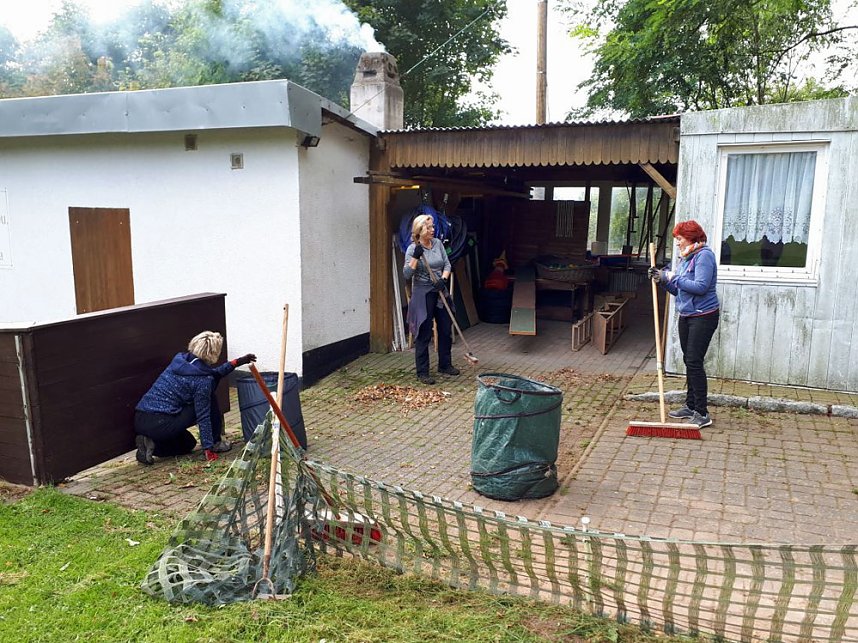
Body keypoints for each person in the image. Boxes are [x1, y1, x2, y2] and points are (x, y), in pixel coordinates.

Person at [133, 330, 256, 464]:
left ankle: (149, 443)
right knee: (208, 397)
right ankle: (215, 443)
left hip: (141, 418)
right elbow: (203, 415)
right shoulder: (203, 381)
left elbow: (210, 375)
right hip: (161, 423)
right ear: (214, 353)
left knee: (188, 444)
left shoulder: (181, 360)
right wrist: (208, 448)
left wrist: (236, 362)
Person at [648, 220, 719, 428]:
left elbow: (701, 286)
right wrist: (662, 281)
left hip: (704, 316)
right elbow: (679, 290)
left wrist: (671, 276)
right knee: (689, 360)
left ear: (691, 237)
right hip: (687, 315)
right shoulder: (686, 258)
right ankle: (690, 406)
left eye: (679, 239)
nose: (677, 243)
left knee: (695, 361)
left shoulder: (704, 255)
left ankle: (702, 412)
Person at [403, 213, 460, 385]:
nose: (433, 230)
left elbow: (447, 264)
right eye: (430, 227)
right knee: (424, 332)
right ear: (420, 230)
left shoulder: (438, 244)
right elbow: (406, 274)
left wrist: (443, 279)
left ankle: (445, 364)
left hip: (439, 290)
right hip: (423, 293)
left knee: (444, 328)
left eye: (433, 226)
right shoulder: (413, 249)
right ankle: (422, 372)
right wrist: (415, 258)